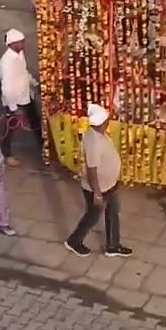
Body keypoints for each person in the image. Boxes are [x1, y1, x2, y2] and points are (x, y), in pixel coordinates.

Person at [64, 103, 130, 258]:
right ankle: (74, 241)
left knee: (113, 211)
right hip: (99, 187)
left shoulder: (98, 134)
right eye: (107, 119)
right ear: (102, 122)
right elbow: (92, 170)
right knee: (92, 216)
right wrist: (97, 194)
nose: (108, 122)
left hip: (109, 185)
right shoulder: (93, 141)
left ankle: (113, 246)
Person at [0, 29, 44, 167]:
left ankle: (44, 148)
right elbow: (6, 87)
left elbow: (24, 72)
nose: (23, 43)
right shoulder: (6, 62)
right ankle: (7, 155)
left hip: (25, 96)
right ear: (12, 44)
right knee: (10, 129)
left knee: (36, 123)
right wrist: (14, 108)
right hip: (14, 101)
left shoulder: (20, 54)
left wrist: (35, 84)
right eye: (20, 42)